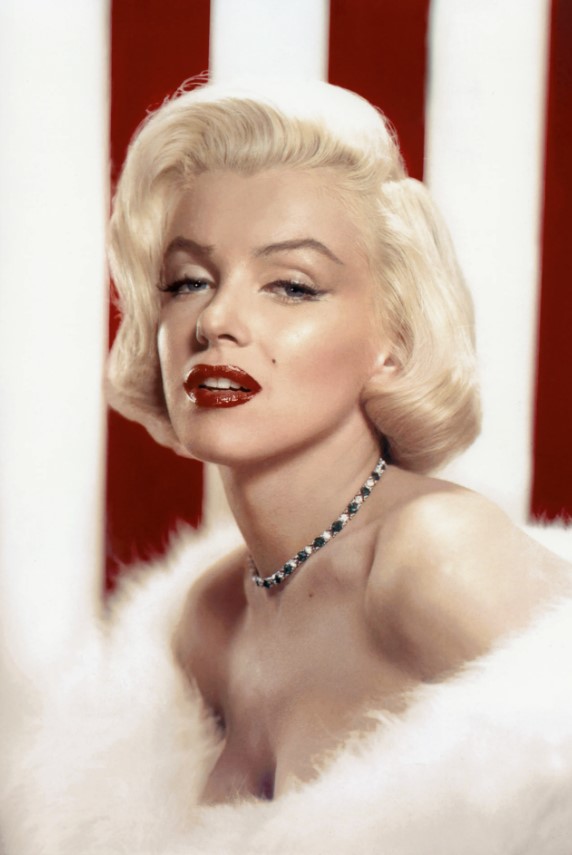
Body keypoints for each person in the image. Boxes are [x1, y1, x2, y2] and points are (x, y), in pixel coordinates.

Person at [5, 79, 572, 854]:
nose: (216, 320)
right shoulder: (208, 619)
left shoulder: (435, 556)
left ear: (393, 341)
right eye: (189, 280)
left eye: (291, 286)